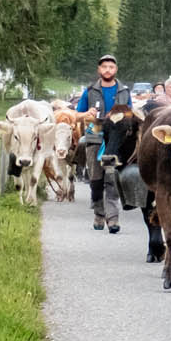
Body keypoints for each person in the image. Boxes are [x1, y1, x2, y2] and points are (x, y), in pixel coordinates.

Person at [74, 55, 129, 232]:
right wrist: (87, 114)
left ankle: (113, 218)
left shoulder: (123, 91)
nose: (107, 70)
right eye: (104, 67)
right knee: (96, 179)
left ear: (116, 70)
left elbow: (130, 115)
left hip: (115, 139)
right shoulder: (89, 91)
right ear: (99, 70)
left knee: (112, 177)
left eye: (111, 67)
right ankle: (99, 213)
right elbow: (77, 115)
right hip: (95, 135)